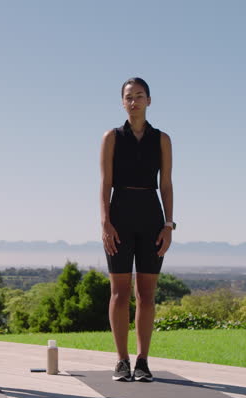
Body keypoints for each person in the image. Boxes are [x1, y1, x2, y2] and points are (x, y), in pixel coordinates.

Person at [100, 77, 175, 382]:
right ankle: (121, 360)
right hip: (119, 214)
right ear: (122, 102)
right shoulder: (112, 137)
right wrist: (105, 222)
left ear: (149, 101)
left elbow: (166, 185)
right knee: (119, 293)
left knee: (146, 294)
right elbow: (105, 183)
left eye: (139, 96)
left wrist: (169, 224)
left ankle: (143, 360)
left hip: (152, 216)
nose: (134, 102)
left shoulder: (162, 139)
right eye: (129, 97)